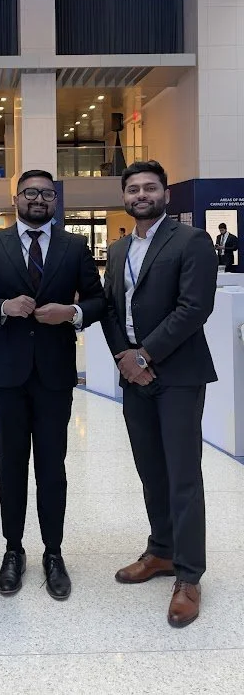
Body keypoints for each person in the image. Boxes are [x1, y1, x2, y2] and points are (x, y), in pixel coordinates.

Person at [0, 169, 106, 601]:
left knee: (52, 468)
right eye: (30, 193)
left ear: (55, 201)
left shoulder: (74, 246)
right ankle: (12, 550)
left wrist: (72, 314)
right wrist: (2, 306)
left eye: (46, 193)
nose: (38, 199)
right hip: (6, 376)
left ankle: (54, 553)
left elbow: (98, 300)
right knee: (11, 468)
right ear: (16, 198)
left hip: (56, 375)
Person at [101, 160, 217, 629]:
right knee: (150, 469)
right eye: (134, 188)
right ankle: (162, 551)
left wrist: (144, 356)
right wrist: (125, 358)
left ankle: (189, 576)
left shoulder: (191, 241)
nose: (141, 194)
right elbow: (109, 310)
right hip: (135, 377)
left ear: (165, 194)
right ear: (125, 197)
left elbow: (195, 307)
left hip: (178, 375)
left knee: (182, 475)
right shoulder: (118, 249)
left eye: (150, 187)